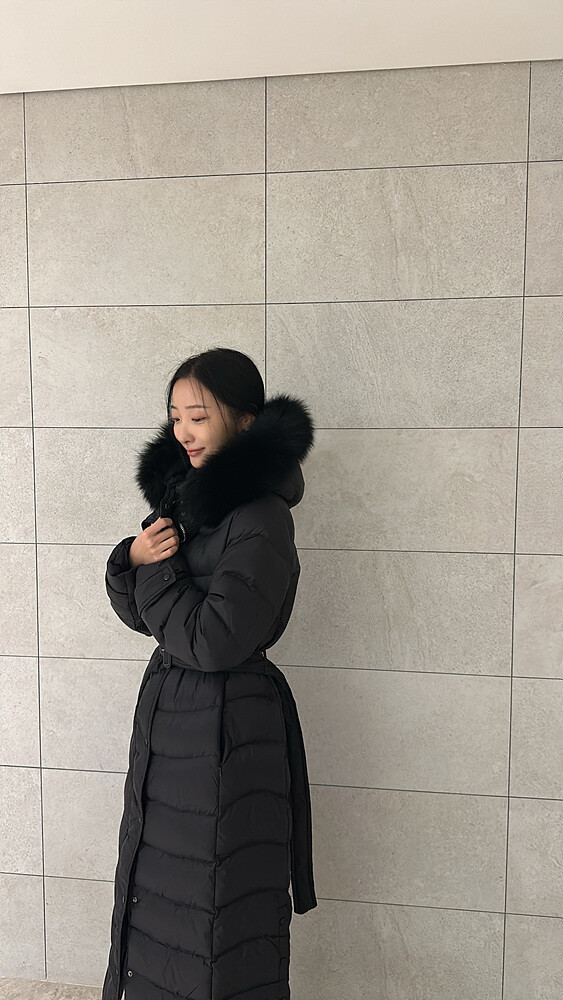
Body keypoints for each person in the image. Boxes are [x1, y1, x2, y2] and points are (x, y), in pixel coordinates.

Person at [101, 347, 317, 1000]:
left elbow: (213, 640)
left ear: (245, 420)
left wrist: (158, 570)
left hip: (227, 732)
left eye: (198, 416)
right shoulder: (186, 502)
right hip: (173, 725)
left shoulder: (261, 518)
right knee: (160, 897)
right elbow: (148, 619)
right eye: (175, 417)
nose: (184, 431)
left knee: (217, 907)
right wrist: (132, 559)